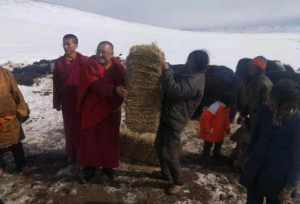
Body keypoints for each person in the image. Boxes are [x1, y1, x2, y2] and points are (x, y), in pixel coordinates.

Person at [155, 50, 207, 195]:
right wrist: (167, 65)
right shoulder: (190, 72)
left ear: (196, 63)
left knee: (170, 151)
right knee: (159, 146)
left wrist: (166, 71)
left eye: (190, 59)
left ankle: (178, 181)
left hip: (176, 120)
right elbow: (177, 70)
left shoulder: (196, 79)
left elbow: (175, 91)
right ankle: (166, 174)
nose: (187, 61)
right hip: (168, 115)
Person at [240, 79, 300, 204]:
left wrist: (290, 186)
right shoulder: (265, 111)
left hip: (278, 181)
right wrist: (246, 157)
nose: (270, 103)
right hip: (255, 173)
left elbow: (297, 158)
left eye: (274, 101)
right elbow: (255, 137)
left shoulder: (297, 121)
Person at [78, 41, 126, 182]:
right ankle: (90, 167)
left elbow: (125, 81)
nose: (100, 55)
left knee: (109, 139)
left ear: (111, 54)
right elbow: (94, 84)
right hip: (92, 109)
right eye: (98, 51)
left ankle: (108, 166)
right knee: (90, 139)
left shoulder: (118, 67)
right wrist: (114, 89)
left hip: (111, 110)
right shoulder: (89, 65)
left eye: (104, 52)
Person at [53, 34, 89, 165]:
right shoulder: (58, 63)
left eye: (69, 43)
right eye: (64, 44)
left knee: (83, 129)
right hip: (67, 102)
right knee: (69, 129)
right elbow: (56, 83)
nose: (66, 46)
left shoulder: (85, 61)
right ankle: (71, 154)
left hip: (83, 102)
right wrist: (57, 101)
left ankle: (84, 154)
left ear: (76, 45)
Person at [0, 67, 30, 176]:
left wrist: (22, 110)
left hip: (10, 115)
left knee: (16, 142)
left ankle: (21, 165)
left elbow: (16, 92)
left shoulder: (5, 74)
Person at [239, 56, 273, 134]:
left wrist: (245, 117)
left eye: (251, 66)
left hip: (257, 121)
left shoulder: (257, 82)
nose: (249, 68)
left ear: (258, 68)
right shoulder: (267, 81)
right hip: (263, 120)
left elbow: (253, 104)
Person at [199, 93, 233, 162]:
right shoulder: (215, 106)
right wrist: (207, 129)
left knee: (219, 142)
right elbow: (205, 118)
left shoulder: (226, 108)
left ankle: (216, 154)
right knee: (208, 144)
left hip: (219, 130)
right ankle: (205, 157)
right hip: (211, 130)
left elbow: (226, 120)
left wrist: (227, 128)